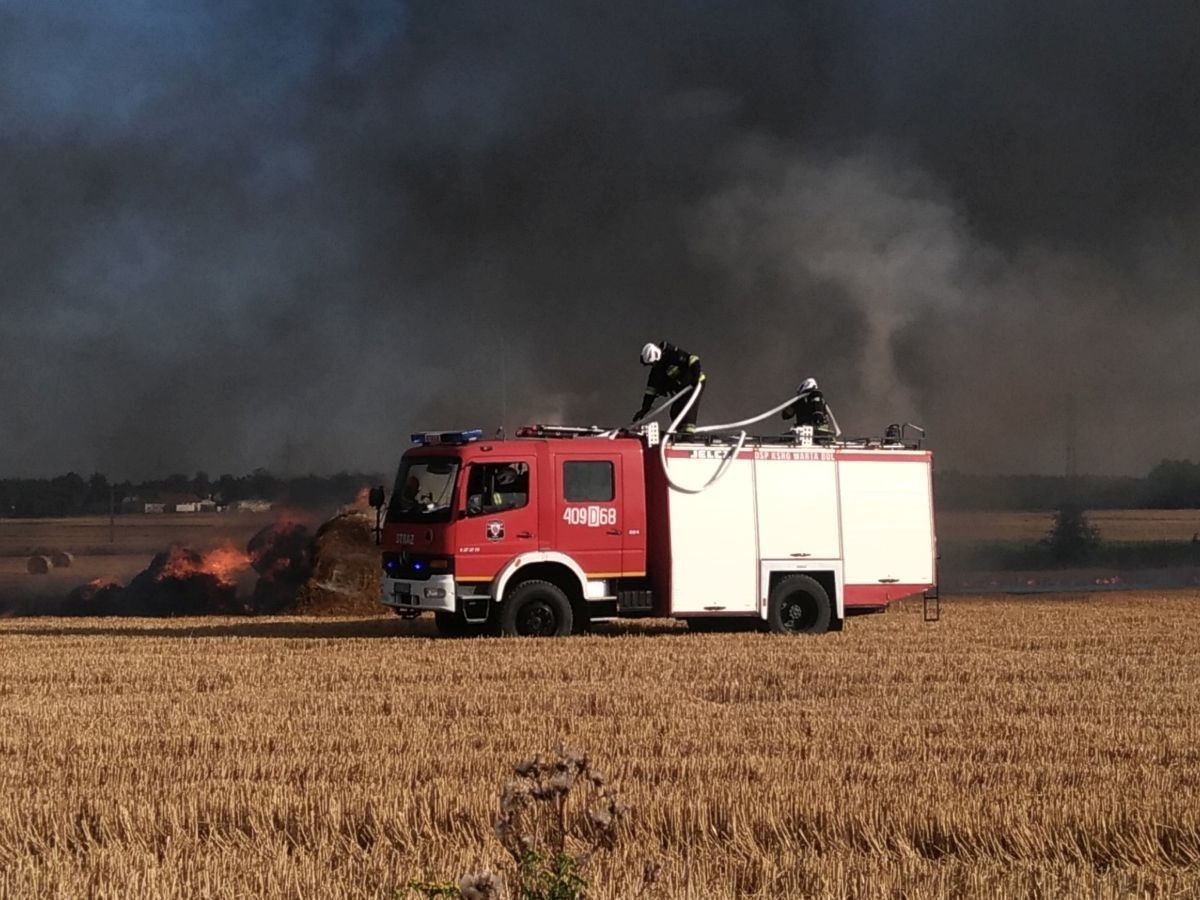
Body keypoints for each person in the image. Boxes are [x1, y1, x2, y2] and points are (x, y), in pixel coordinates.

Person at [631, 341, 705, 433]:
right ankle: (682, 433)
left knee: (687, 411)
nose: (653, 366)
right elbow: (651, 391)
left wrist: (695, 376)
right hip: (682, 389)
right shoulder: (657, 371)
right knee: (675, 412)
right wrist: (644, 408)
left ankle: (688, 436)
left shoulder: (672, 354)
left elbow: (693, 359)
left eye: (652, 363)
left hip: (693, 385)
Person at [782, 377, 835, 441]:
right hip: (805, 432)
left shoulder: (815, 397)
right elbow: (786, 414)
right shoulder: (800, 401)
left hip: (814, 431)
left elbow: (787, 414)